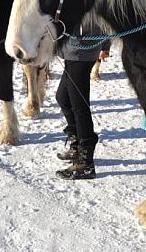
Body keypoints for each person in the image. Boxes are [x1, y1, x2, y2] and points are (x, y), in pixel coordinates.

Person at [54, 22, 111, 180]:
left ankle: (86, 162)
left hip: (83, 51)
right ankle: (77, 144)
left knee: (79, 106)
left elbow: (105, 17)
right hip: (71, 50)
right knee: (63, 98)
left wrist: (105, 45)